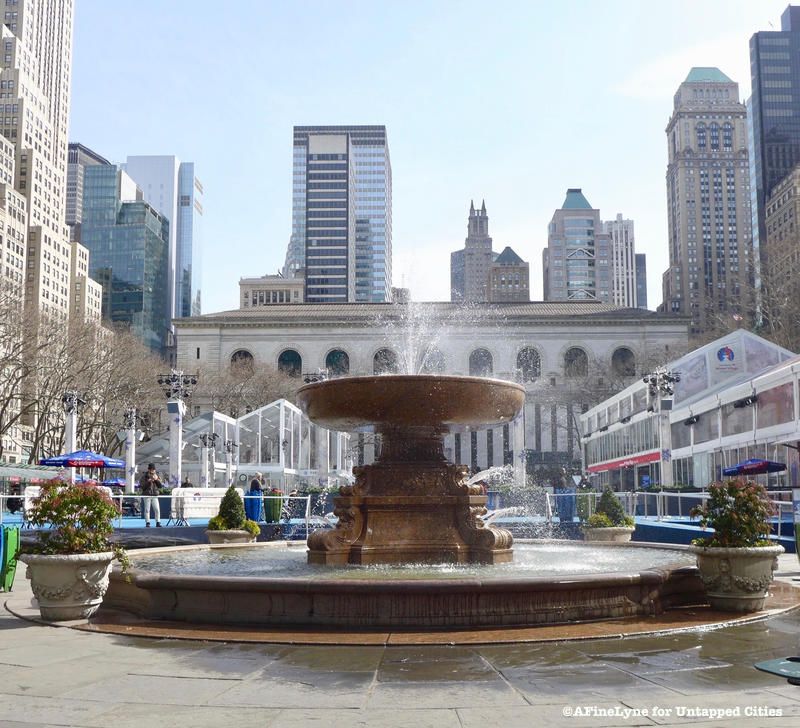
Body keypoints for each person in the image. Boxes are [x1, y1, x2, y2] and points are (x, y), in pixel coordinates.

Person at [139, 463, 163, 527]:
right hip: (147, 495)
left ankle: (158, 522)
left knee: (157, 509)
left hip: (155, 495)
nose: (153, 471)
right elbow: (142, 486)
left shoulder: (157, 476)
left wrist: (156, 480)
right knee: (147, 509)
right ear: (148, 470)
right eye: (151, 469)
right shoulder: (144, 476)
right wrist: (148, 482)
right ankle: (147, 522)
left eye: (154, 469)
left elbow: (160, 486)